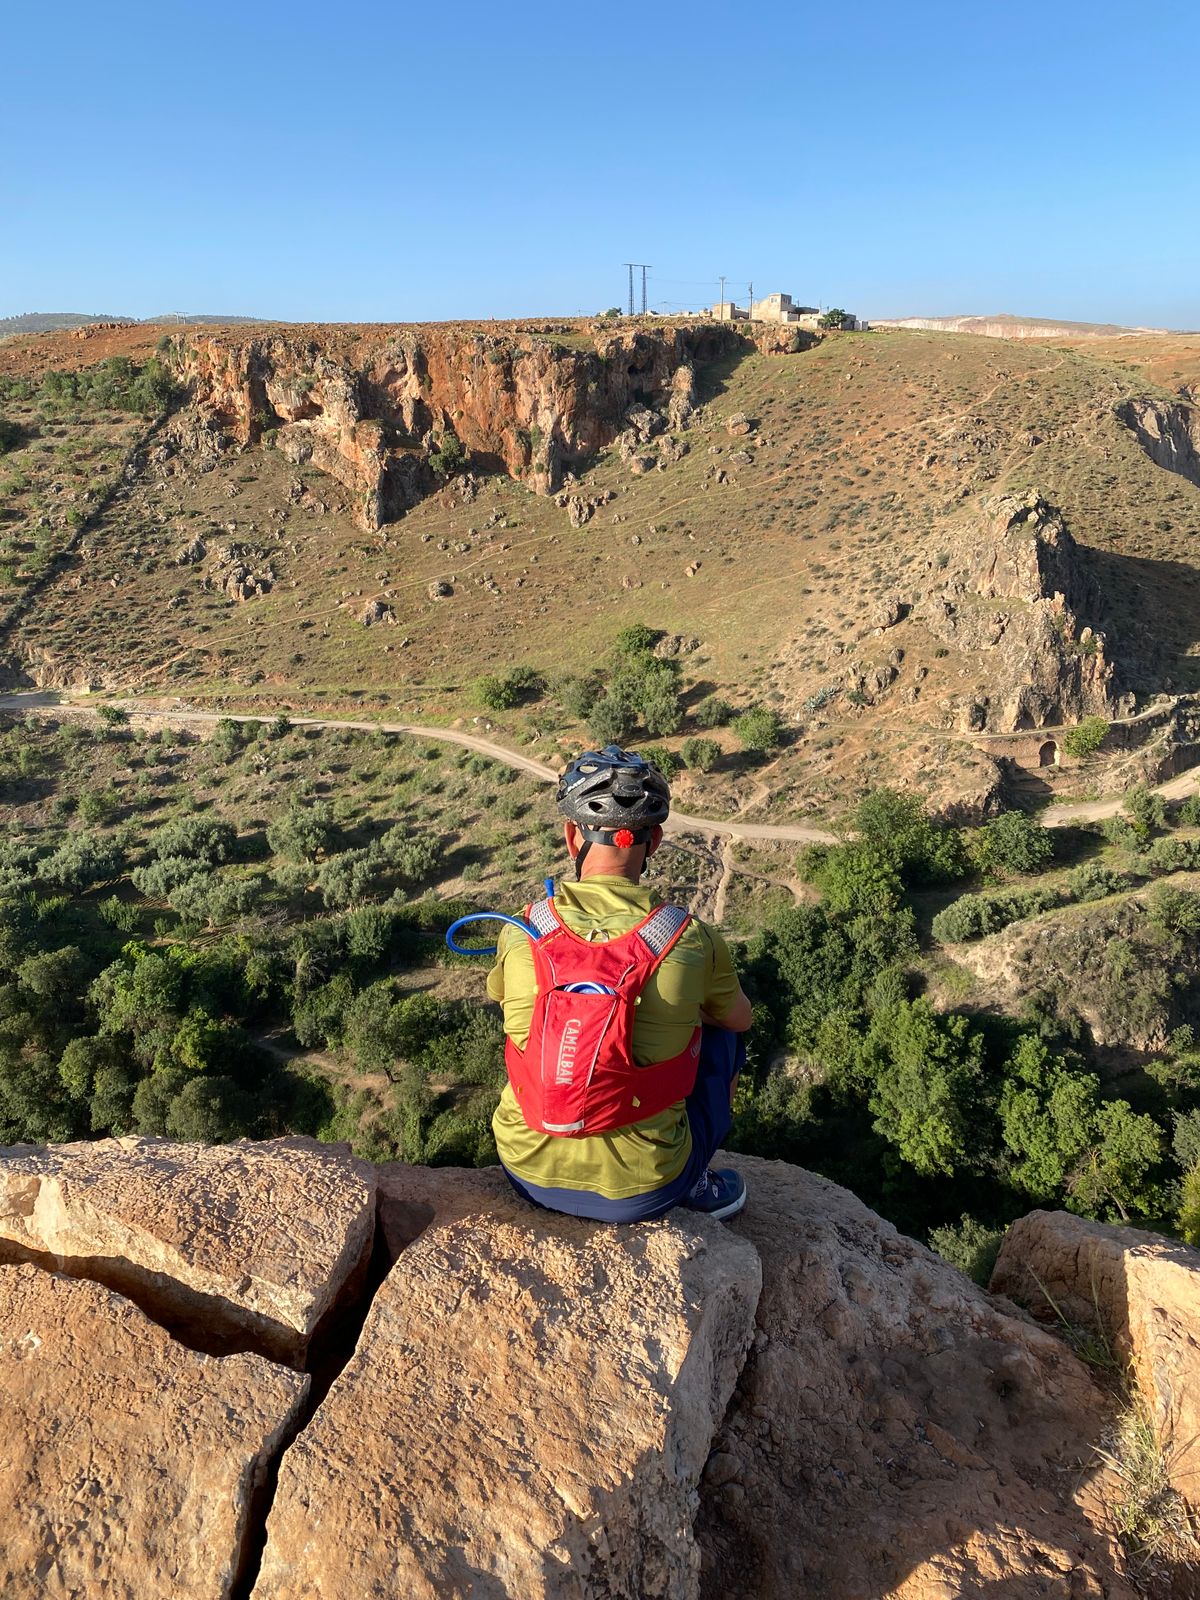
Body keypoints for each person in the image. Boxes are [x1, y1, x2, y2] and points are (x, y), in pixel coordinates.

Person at [487, 744, 753, 1222]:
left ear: (572, 837)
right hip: (647, 1188)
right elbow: (741, 1017)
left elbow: (500, 996)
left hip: (524, 1171)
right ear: (654, 842)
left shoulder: (523, 927)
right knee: (725, 1036)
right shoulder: (688, 938)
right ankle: (695, 1178)